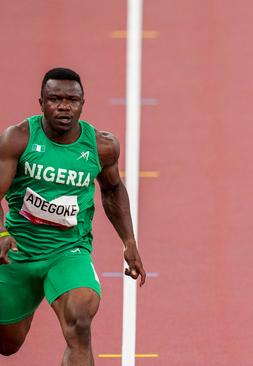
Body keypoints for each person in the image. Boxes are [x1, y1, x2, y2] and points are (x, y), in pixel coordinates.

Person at [0, 67, 145, 365]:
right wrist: (2, 234)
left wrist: (129, 241)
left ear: (82, 103)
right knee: (7, 343)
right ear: (41, 102)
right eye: (54, 99)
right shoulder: (18, 139)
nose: (64, 106)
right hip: (18, 252)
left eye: (72, 99)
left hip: (70, 252)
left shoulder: (102, 146)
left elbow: (112, 189)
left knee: (80, 323)